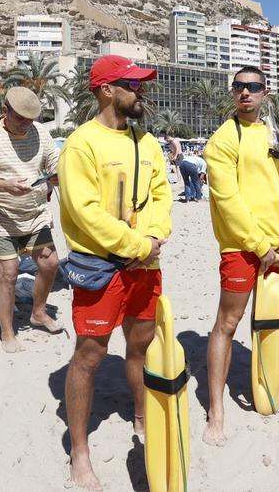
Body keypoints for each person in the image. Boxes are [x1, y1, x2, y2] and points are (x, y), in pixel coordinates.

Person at [57, 55, 172, 490]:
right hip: (101, 266)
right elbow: (84, 214)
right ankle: (80, 453)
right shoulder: (81, 144)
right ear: (107, 90)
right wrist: (138, 246)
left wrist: (155, 237)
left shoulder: (147, 142)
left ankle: (141, 417)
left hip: (147, 262)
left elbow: (162, 194)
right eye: (132, 84)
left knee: (140, 346)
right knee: (89, 356)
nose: (141, 91)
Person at [203, 65, 279, 447]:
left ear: (266, 92)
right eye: (239, 87)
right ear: (232, 93)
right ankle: (216, 409)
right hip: (242, 247)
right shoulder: (222, 140)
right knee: (227, 324)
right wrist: (260, 245)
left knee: (270, 319)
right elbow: (227, 200)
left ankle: (272, 379)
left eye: (253, 87)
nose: (245, 93)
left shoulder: (277, 136)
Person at [0, 86, 63, 352]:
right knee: (9, 273)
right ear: (4, 111)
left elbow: (56, 162)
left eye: (31, 119)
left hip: (33, 212)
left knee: (50, 264)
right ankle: (7, 333)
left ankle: (38, 313)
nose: (27, 124)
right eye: (20, 118)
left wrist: (58, 174)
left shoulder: (40, 132)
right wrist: (4, 186)